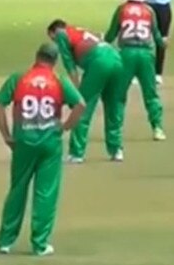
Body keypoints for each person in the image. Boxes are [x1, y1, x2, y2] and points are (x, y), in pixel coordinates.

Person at [0, 43, 85, 256]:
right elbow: (80, 105)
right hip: (49, 143)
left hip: (23, 141)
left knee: (17, 190)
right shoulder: (59, 80)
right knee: (46, 193)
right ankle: (40, 243)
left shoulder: (19, 78)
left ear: (37, 56)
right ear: (55, 61)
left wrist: (6, 135)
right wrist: (65, 127)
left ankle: (5, 241)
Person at [46, 20, 126, 163]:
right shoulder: (80, 30)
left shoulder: (61, 34)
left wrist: (76, 93)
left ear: (53, 32)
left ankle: (77, 153)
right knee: (114, 106)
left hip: (99, 63)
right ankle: (116, 149)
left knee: (83, 108)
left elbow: (70, 65)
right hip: (116, 59)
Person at [104, 0, 168, 141]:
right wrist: (163, 43)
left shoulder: (121, 10)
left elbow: (111, 34)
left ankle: (116, 129)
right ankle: (157, 128)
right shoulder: (149, 10)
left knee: (119, 94)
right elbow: (157, 35)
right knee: (151, 93)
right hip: (146, 54)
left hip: (126, 53)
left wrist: (103, 41)